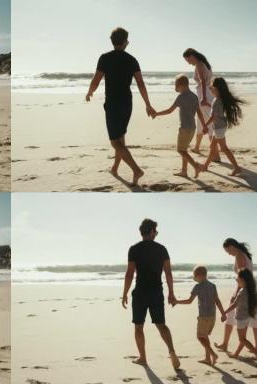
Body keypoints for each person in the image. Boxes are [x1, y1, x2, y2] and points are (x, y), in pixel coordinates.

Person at [85, 27, 156, 185]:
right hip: (127, 103)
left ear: (112, 41)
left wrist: (89, 92)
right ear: (125, 42)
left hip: (113, 104)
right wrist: (148, 105)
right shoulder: (132, 60)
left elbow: (96, 79)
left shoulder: (105, 58)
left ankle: (137, 170)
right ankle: (115, 168)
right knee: (121, 137)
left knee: (115, 142)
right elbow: (141, 85)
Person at [121, 219, 181, 370]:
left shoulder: (134, 249)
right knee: (161, 325)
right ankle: (172, 352)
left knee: (138, 326)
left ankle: (143, 358)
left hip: (140, 292)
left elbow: (129, 274)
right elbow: (168, 273)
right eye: (156, 231)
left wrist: (124, 294)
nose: (157, 234)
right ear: (152, 231)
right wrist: (171, 293)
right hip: (156, 292)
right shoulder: (162, 249)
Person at [152, 74, 208, 178]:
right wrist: (204, 125)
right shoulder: (194, 96)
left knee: (180, 150)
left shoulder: (181, 97)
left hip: (184, 129)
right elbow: (199, 112)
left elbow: (169, 111)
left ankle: (196, 166)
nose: (175, 88)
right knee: (184, 150)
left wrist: (156, 114)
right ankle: (184, 171)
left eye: (176, 85)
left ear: (181, 85)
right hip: (192, 128)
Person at [214, 239, 257, 355]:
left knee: (231, 315)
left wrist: (236, 294)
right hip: (250, 288)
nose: (228, 254)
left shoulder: (240, 256)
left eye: (228, 250)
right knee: (255, 320)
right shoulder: (244, 254)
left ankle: (227, 344)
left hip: (245, 288)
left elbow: (242, 278)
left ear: (232, 246)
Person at [173, 266, 226, 365]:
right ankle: (207, 358)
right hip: (212, 316)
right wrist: (223, 314)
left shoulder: (198, 287)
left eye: (194, 276)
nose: (194, 278)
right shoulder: (212, 286)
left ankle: (213, 354)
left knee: (200, 337)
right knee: (205, 336)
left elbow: (189, 301)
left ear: (199, 276)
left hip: (203, 317)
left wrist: (176, 302)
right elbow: (217, 301)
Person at [200, 78, 245, 176]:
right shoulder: (219, 99)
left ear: (218, 89)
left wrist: (205, 125)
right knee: (212, 147)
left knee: (224, 148)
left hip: (219, 128)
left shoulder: (217, 101)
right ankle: (205, 165)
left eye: (212, 88)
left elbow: (213, 116)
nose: (210, 89)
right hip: (220, 127)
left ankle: (236, 168)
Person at [221, 268, 257, 364]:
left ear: (243, 280)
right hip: (247, 317)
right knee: (243, 338)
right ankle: (236, 354)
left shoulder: (241, 292)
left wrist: (225, 312)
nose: (236, 280)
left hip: (241, 319)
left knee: (242, 339)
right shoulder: (250, 291)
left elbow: (234, 304)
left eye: (238, 279)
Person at [183, 48, 216, 157]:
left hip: (204, 95)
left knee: (208, 122)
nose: (188, 63)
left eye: (188, 60)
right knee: (201, 121)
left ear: (191, 56)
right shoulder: (204, 63)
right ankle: (197, 147)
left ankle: (215, 153)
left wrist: (204, 98)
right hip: (207, 93)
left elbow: (202, 81)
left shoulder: (199, 65)